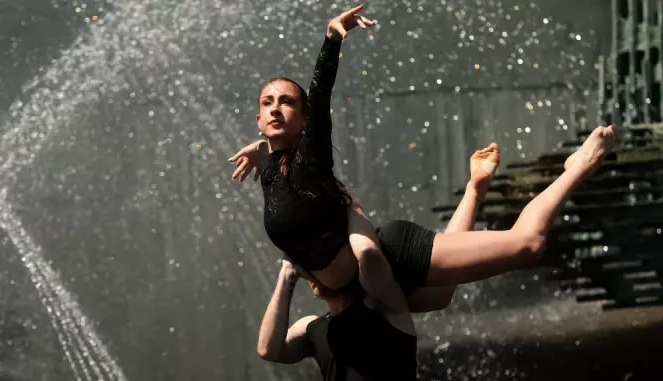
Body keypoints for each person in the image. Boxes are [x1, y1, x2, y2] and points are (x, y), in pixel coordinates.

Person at [229, 4, 615, 312]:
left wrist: (332, 38)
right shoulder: (267, 165)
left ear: (305, 117)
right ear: (258, 119)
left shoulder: (309, 157)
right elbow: (273, 155)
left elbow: (321, 91)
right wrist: (258, 148)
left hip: (392, 255)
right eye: (268, 103)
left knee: (529, 243)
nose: (277, 109)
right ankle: (476, 188)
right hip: (360, 287)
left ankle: (577, 166)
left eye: (288, 102)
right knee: (445, 295)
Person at [256, 145, 499, 381]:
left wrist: (349, 209)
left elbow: (384, 257)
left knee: (450, 279)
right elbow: (268, 348)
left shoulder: (380, 303)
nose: (315, 268)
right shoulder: (313, 328)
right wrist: (286, 276)